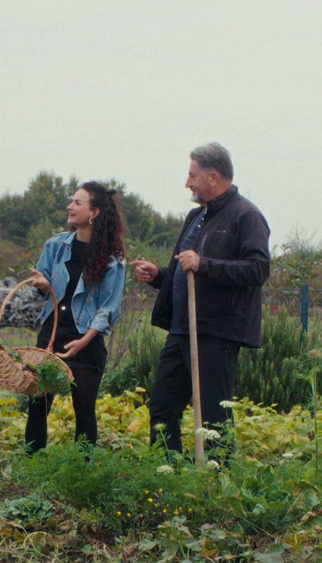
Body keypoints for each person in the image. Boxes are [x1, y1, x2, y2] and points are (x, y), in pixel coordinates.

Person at [130, 143, 270, 457]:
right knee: (163, 408)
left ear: (213, 176)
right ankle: (168, 478)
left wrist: (204, 264)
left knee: (213, 418)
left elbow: (258, 269)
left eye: (192, 176)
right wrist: (159, 276)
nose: (188, 183)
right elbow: (188, 274)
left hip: (216, 333)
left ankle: (217, 486)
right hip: (181, 329)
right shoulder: (197, 216)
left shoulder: (246, 216)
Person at [24, 182, 127, 453]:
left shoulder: (112, 260)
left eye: (78, 203)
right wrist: (42, 285)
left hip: (87, 339)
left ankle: (81, 475)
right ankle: (31, 466)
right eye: (72, 201)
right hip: (52, 332)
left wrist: (85, 341)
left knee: (83, 409)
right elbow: (41, 282)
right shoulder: (55, 246)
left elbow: (109, 308)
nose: (70, 206)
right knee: (37, 404)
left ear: (94, 212)